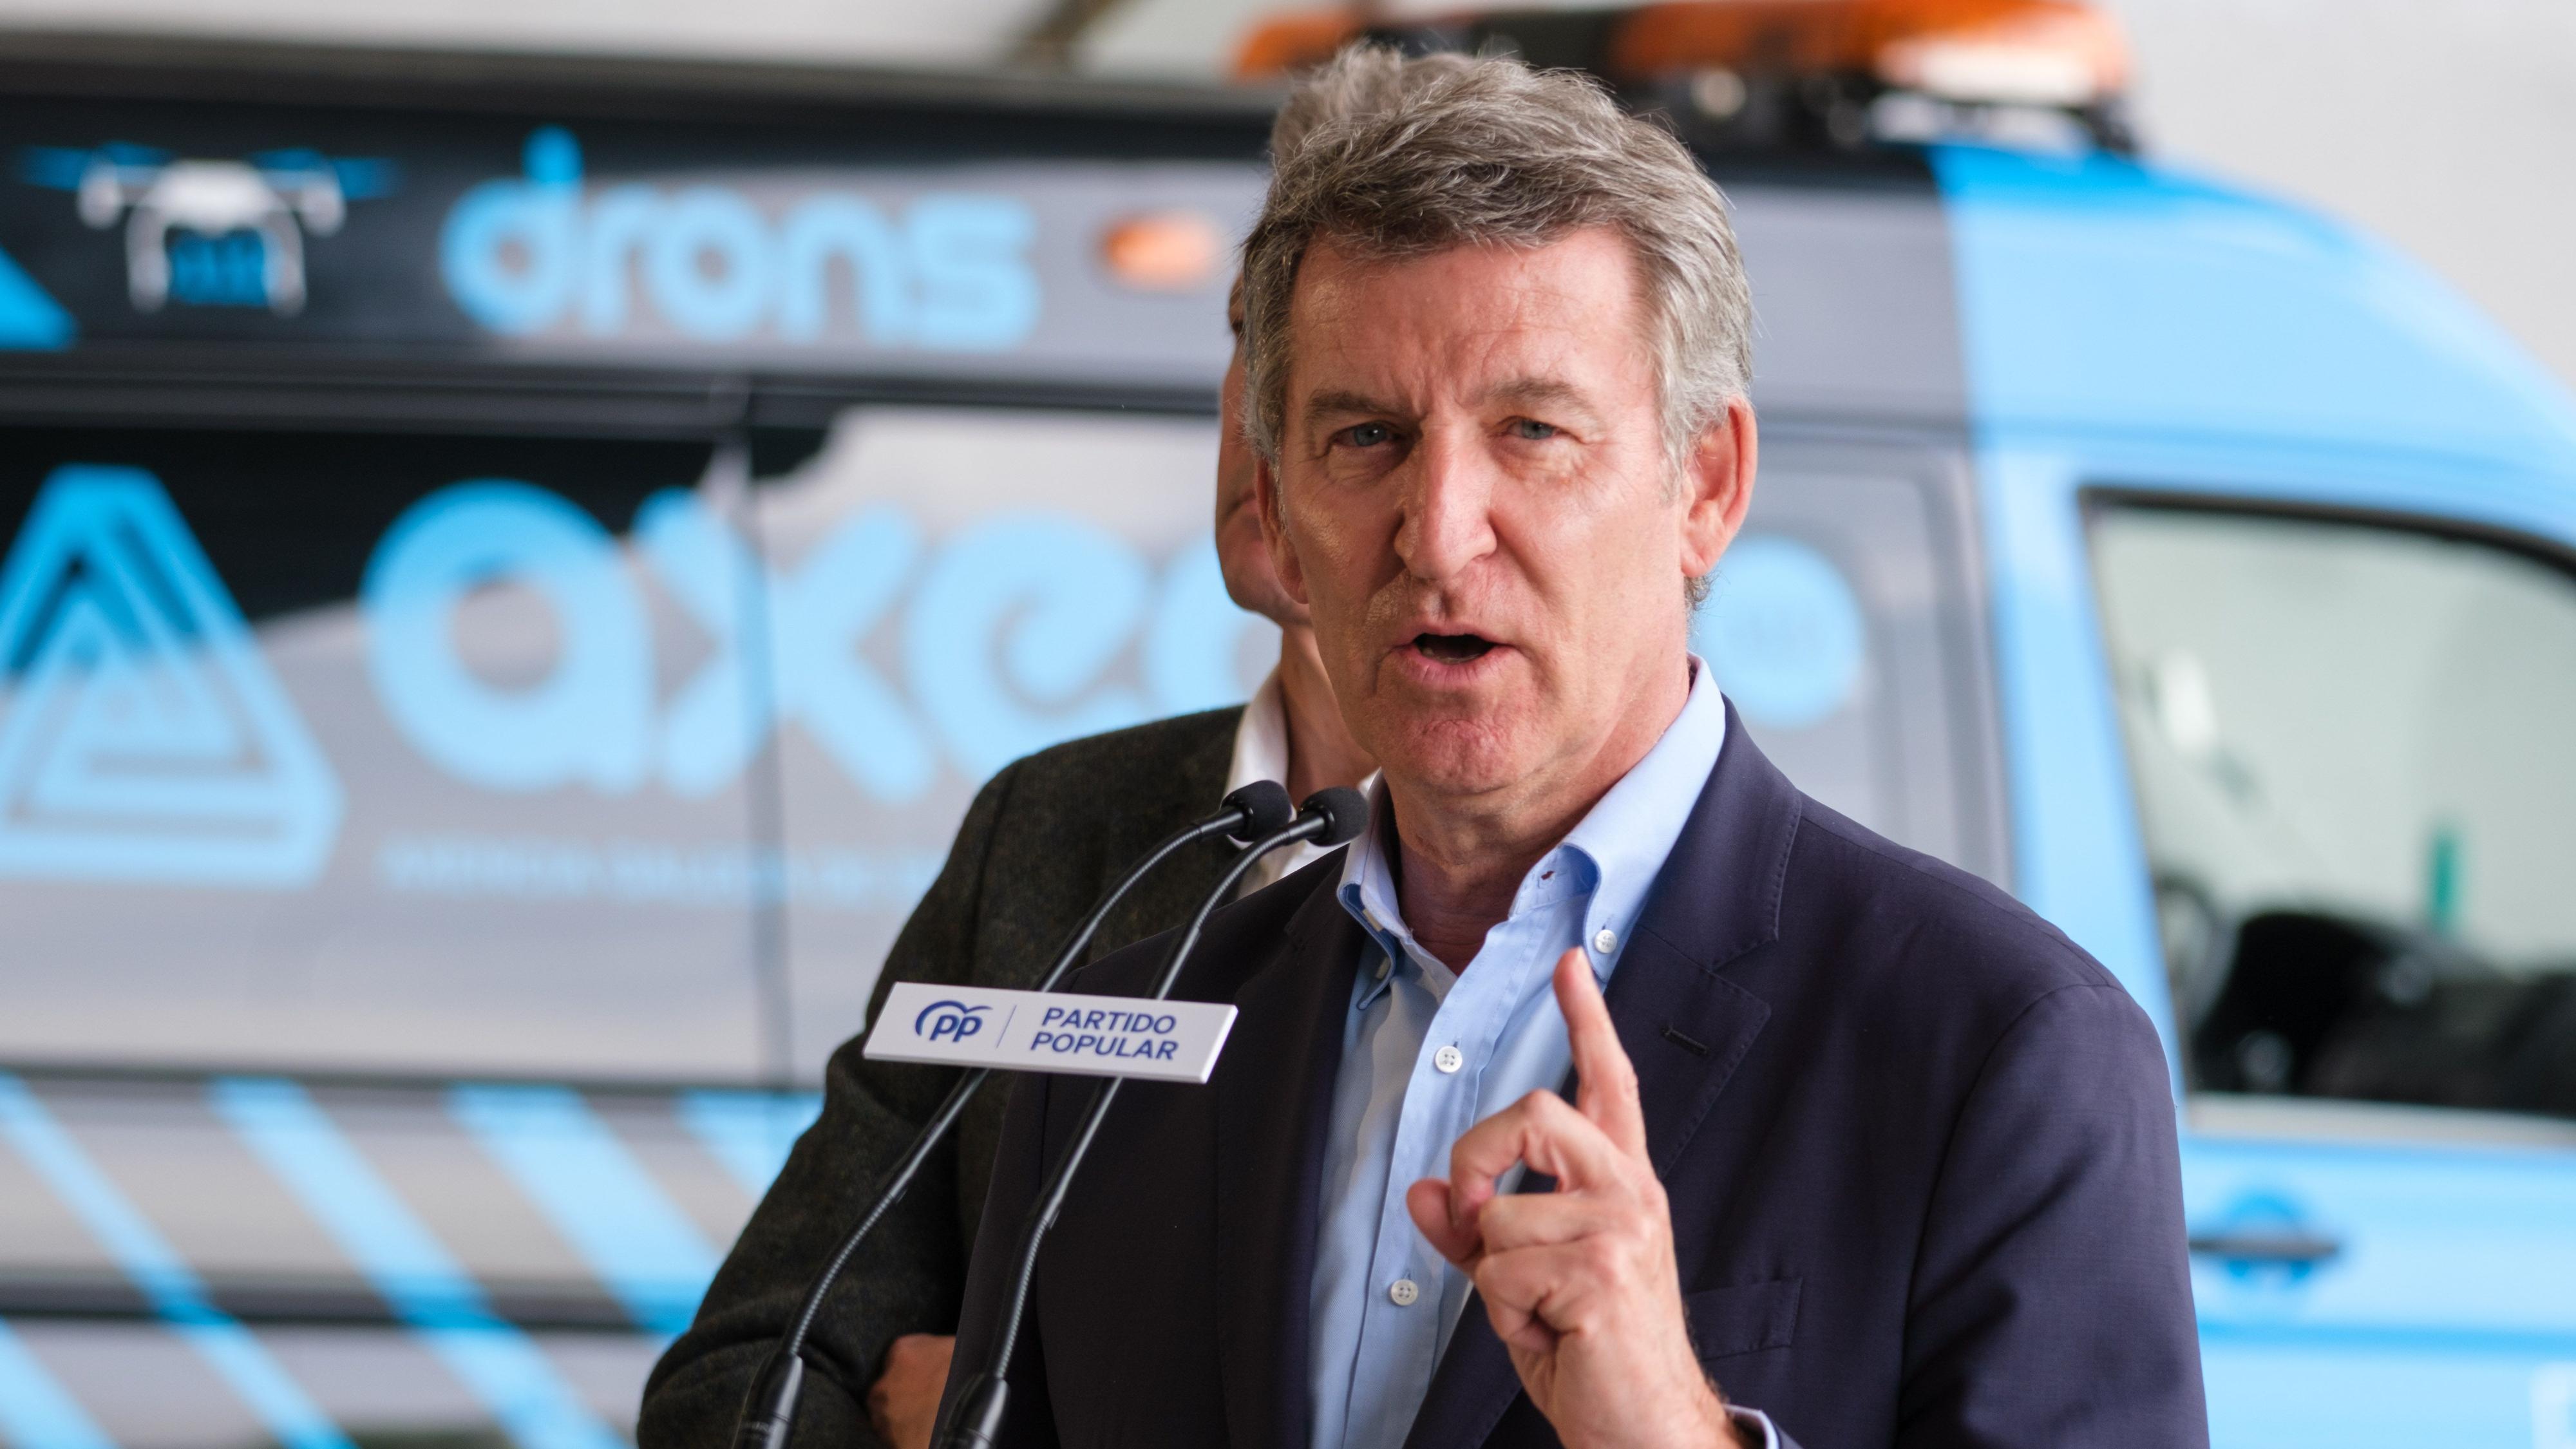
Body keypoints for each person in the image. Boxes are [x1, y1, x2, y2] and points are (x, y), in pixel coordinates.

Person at [935, 49, 2207, 1449]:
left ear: (1704, 484)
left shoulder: (2005, 1050)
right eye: (1366, 437)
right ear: (1278, 514)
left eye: (1532, 432)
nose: (1437, 534)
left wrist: (1670, 1427)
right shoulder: (1115, 1048)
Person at [632, 56, 1468, 1449]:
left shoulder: (1583, 892)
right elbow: (745, 1373)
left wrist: (1008, 1417)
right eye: (1252, 345)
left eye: (1347, 394)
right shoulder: (1060, 825)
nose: (1260, 421)